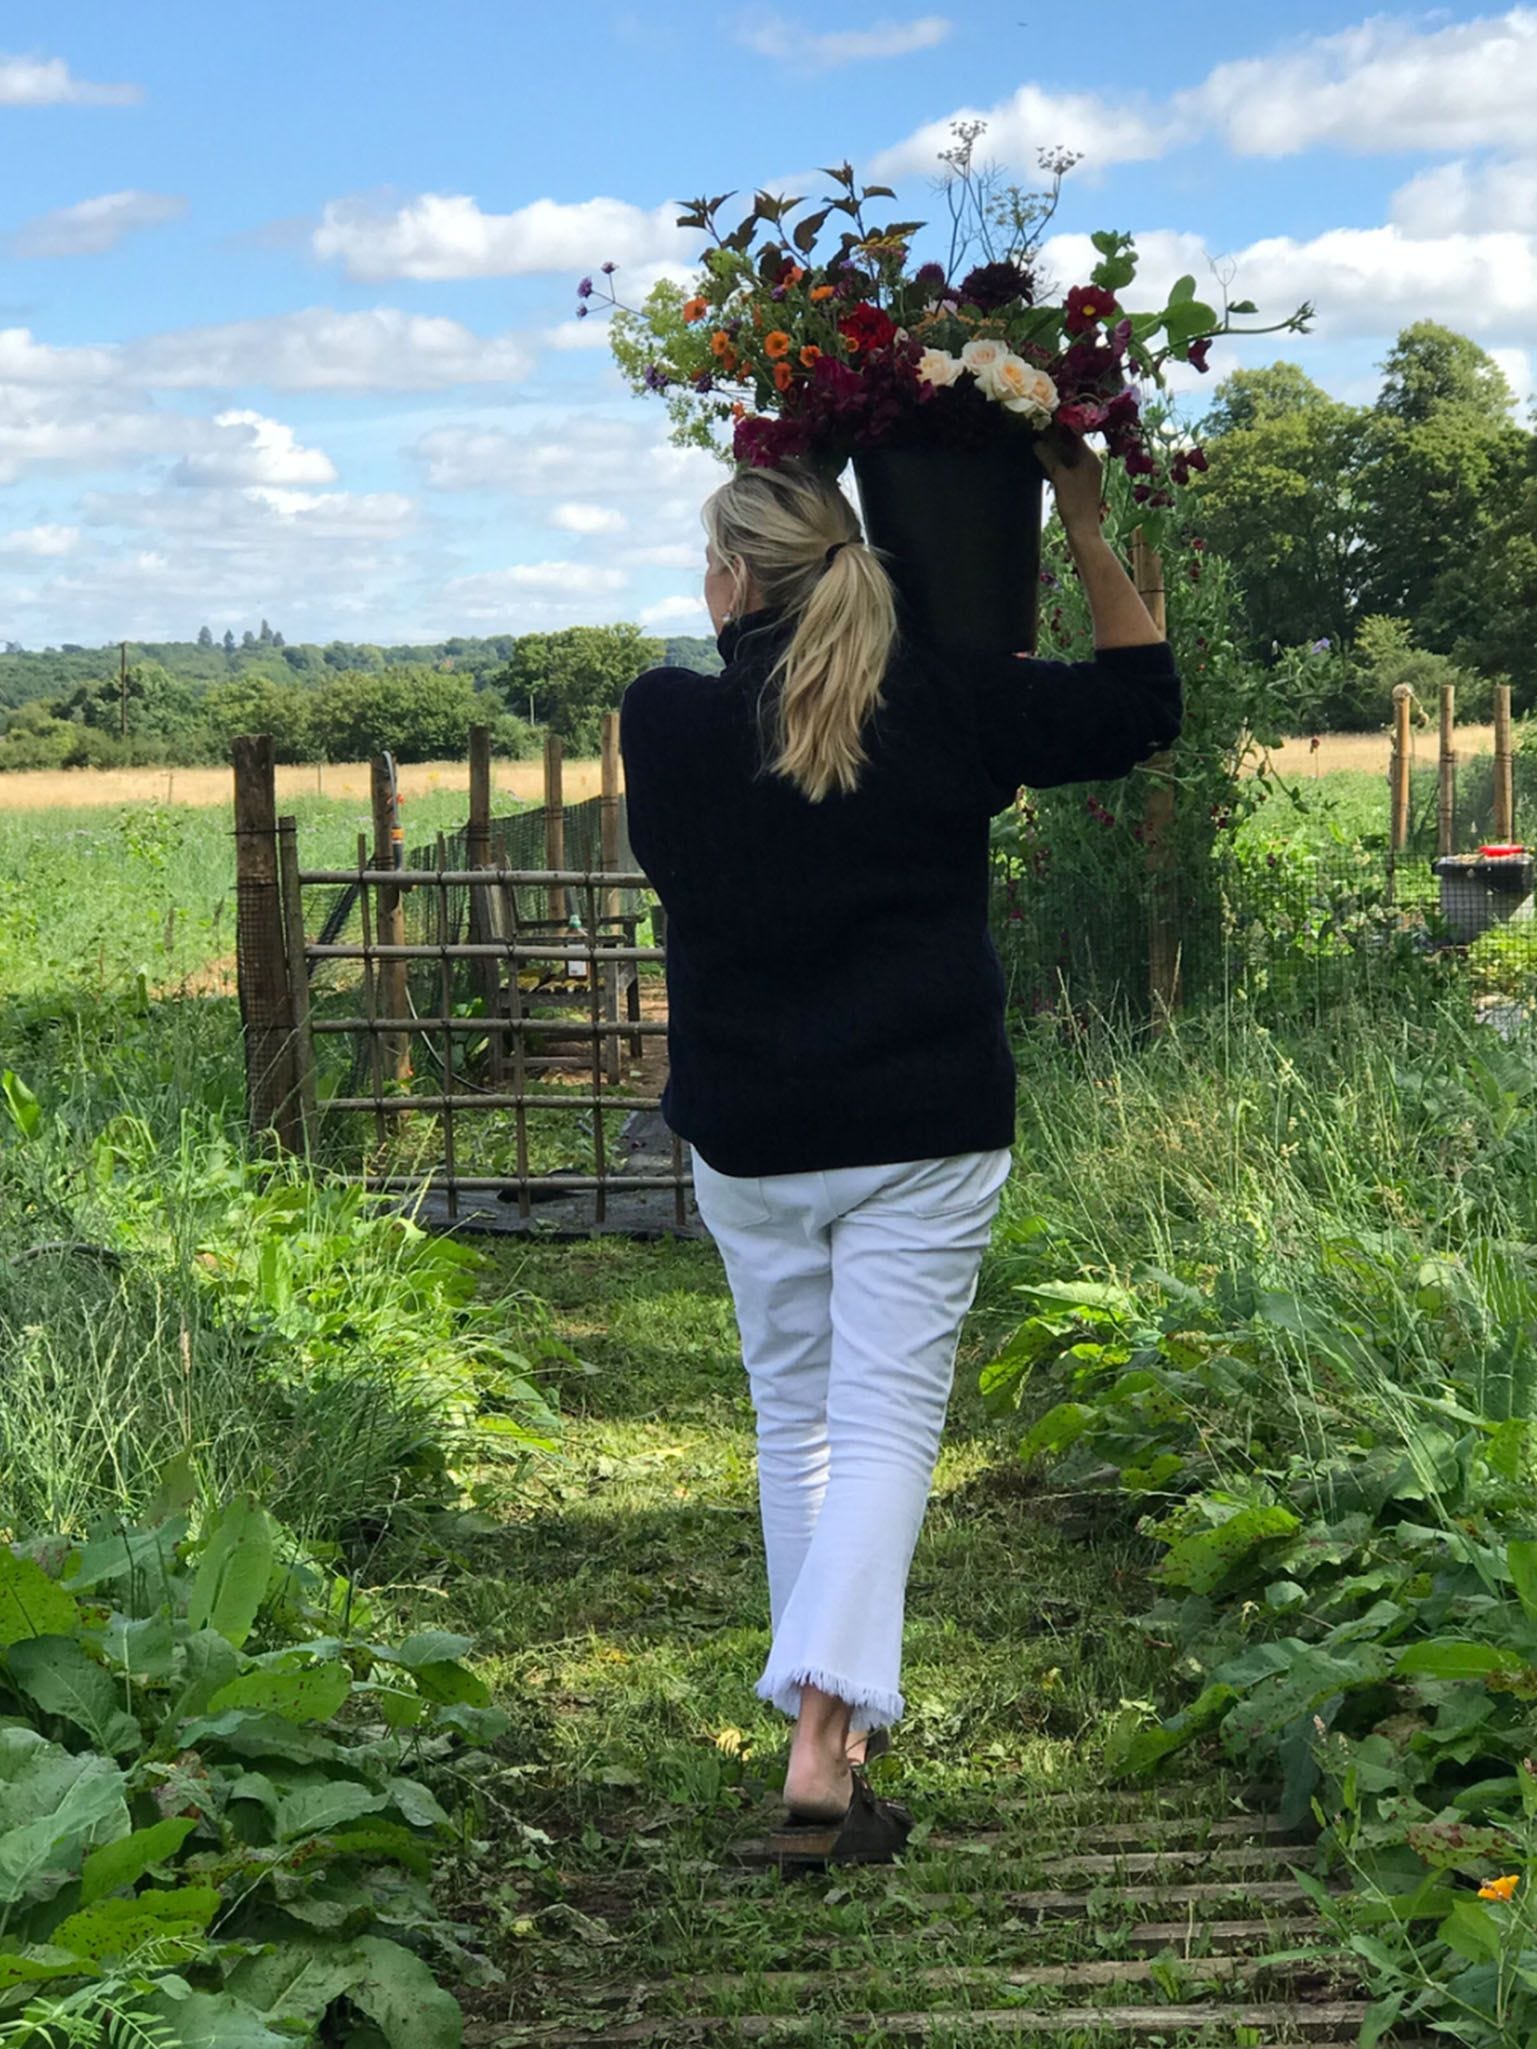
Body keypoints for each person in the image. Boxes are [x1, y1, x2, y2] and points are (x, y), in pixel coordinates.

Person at [618, 433, 1180, 1865]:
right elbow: (1140, 704)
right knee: (878, 1425)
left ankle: (827, 1738)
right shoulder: (941, 694)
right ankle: (825, 1740)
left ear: (733, 579)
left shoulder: (663, 720)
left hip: (752, 1132)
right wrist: (1079, 519)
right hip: (925, 1122)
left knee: (795, 1421)